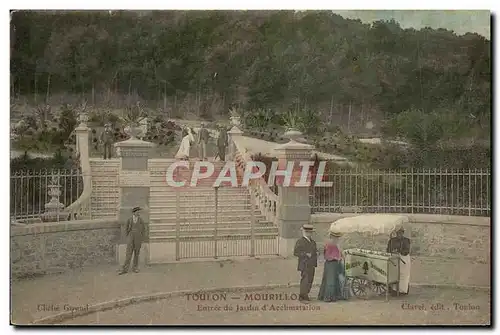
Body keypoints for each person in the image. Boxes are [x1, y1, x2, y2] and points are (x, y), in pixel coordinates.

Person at [318, 229, 349, 302]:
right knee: (330, 281)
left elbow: (340, 253)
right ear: (332, 237)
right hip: (330, 264)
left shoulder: (337, 245)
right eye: (335, 237)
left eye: (337, 238)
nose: (337, 239)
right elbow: (327, 256)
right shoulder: (329, 245)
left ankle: (335, 295)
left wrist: (342, 256)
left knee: (336, 280)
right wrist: (336, 257)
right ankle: (328, 297)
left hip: (337, 263)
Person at [119, 207, 147, 275]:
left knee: (137, 253)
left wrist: (141, 237)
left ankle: (135, 267)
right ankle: (125, 269)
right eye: (137, 212)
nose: (138, 213)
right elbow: (126, 229)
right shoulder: (129, 220)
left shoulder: (140, 220)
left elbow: (143, 229)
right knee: (128, 253)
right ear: (134, 212)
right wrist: (128, 237)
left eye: (139, 212)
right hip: (131, 237)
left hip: (138, 237)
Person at [293, 224, 318, 303]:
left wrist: (316, 253)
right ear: (303, 232)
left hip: (312, 264)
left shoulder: (313, 242)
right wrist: (305, 254)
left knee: (310, 280)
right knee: (305, 280)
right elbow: (296, 252)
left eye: (310, 232)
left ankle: (306, 294)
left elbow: (315, 251)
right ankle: (302, 297)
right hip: (304, 264)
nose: (308, 234)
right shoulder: (300, 241)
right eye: (307, 232)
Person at [386, 225, 411, 295]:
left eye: (400, 233)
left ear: (403, 233)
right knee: (394, 274)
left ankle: (402, 290)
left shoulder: (406, 240)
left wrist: (400, 252)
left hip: (404, 259)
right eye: (398, 233)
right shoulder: (392, 240)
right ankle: (393, 290)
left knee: (403, 275)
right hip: (394, 259)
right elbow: (388, 249)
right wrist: (391, 251)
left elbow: (407, 250)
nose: (399, 234)